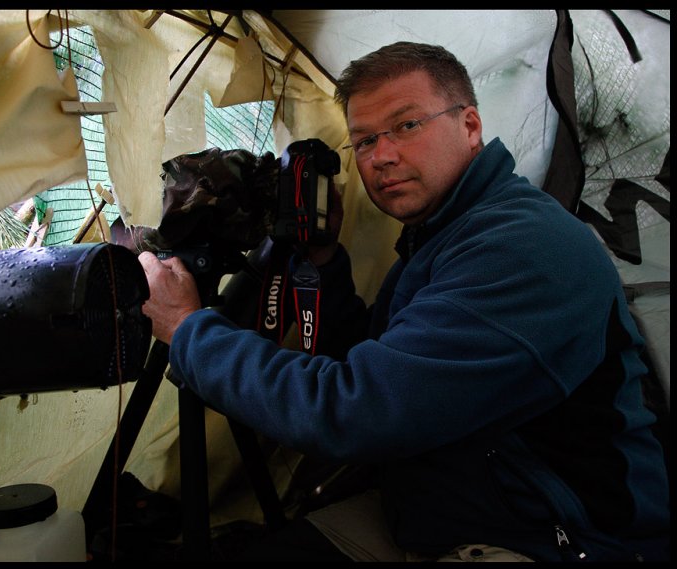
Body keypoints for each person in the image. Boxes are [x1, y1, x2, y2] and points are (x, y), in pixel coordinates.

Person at [138, 42, 669, 562]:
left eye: (407, 125)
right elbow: (377, 363)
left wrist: (188, 330)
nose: (382, 156)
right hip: (440, 503)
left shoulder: (521, 246)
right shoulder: (442, 234)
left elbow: (354, 412)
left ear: (470, 126)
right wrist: (322, 258)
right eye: (364, 141)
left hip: (547, 536)